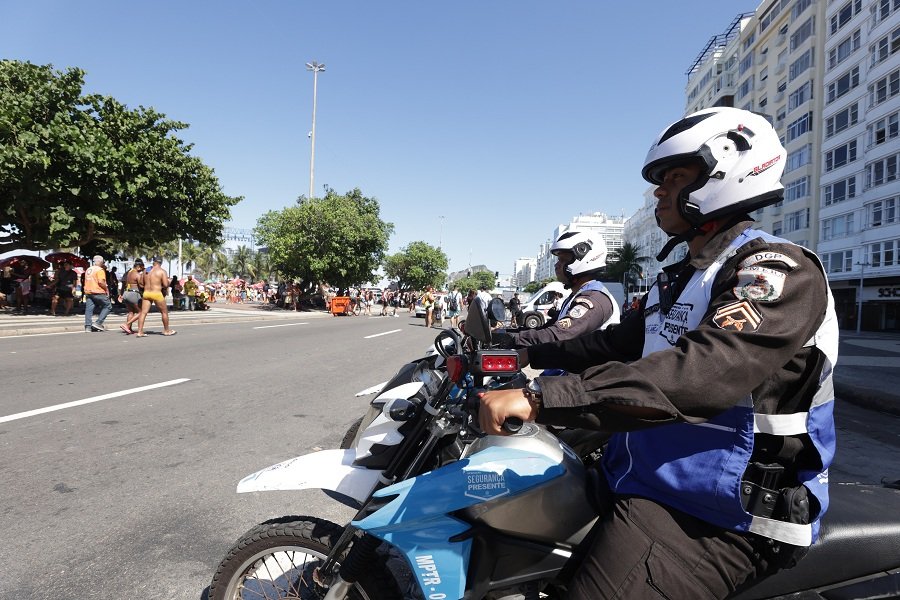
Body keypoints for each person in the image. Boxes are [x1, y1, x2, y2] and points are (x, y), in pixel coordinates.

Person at [479, 107, 838, 599]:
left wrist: (542, 398)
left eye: (674, 177)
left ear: (725, 171)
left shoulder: (775, 270)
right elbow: (606, 344)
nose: (658, 192)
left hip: (720, 512)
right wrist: (520, 354)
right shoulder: (681, 280)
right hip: (644, 477)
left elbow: (703, 371)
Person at [496, 231, 620, 349]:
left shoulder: (594, 299)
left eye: (563, 260)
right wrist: (502, 333)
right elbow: (545, 329)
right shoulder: (576, 296)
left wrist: (512, 339)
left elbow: (557, 334)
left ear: (583, 258)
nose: (557, 265)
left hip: (586, 370)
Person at [137, 257, 176, 337]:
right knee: (164, 312)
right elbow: (165, 285)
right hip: (156, 293)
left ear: (153, 262)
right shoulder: (162, 271)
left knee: (143, 313)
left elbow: (141, 283)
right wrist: (169, 282)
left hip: (146, 293)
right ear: (160, 263)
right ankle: (166, 330)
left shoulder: (146, 271)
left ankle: (140, 332)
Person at [83, 255, 112, 332]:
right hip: (98, 291)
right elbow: (101, 282)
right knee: (108, 306)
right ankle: (98, 323)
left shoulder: (89, 269)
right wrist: (106, 289)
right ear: (101, 262)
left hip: (89, 291)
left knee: (89, 309)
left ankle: (88, 327)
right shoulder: (100, 270)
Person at [118, 259, 144, 334]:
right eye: (141, 268)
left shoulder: (128, 273)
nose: (141, 270)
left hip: (126, 293)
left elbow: (123, 284)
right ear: (138, 267)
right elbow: (141, 285)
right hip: (134, 294)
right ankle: (126, 325)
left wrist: (121, 294)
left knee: (131, 312)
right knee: (141, 312)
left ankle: (129, 329)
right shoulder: (136, 274)